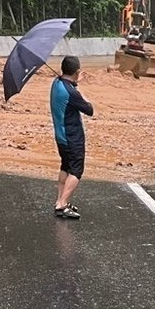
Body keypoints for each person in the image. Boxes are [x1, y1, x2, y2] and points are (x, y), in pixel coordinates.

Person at [50, 55, 94, 220]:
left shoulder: (56, 83)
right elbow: (89, 110)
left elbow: (68, 84)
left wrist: (75, 83)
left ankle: (59, 201)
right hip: (72, 137)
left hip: (61, 136)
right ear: (76, 72)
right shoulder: (72, 93)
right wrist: (79, 91)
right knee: (76, 170)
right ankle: (62, 204)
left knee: (65, 167)